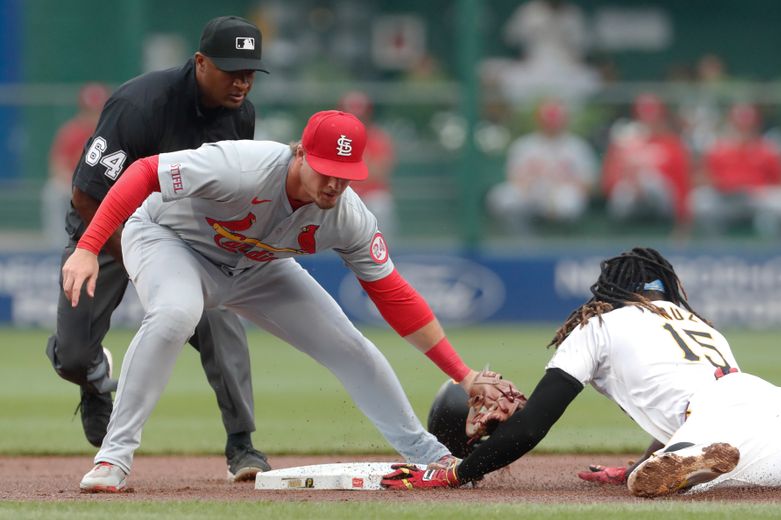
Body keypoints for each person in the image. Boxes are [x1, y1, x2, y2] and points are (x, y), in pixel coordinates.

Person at [61, 109, 522, 493]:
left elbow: (393, 294)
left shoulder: (348, 215)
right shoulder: (241, 166)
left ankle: (428, 454)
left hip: (254, 265)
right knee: (176, 313)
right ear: (299, 153)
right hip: (170, 240)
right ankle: (113, 459)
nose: (334, 185)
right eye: (326, 170)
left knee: (349, 344)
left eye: (346, 175)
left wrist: (462, 375)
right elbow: (144, 172)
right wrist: (88, 246)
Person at [45, 15, 272, 482]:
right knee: (70, 354)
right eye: (231, 70)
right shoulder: (139, 104)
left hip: (188, 240)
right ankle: (93, 382)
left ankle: (242, 444)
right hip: (104, 233)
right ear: (200, 62)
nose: (242, 82)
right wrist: (134, 254)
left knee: (220, 322)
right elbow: (86, 192)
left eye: (250, 71)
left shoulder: (241, 115)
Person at [381, 247, 781, 497]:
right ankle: (678, 458)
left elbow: (530, 428)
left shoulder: (594, 325)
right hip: (772, 400)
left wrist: (455, 472)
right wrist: (645, 457)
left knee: (647, 485)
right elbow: (685, 401)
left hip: (712, 419)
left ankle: (682, 461)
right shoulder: (694, 320)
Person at [485, 99, 597, 233]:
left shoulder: (577, 146)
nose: (552, 124)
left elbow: (588, 183)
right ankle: (523, 241)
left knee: (569, 201)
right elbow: (513, 176)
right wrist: (529, 188)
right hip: (531, 191)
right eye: (548, 119)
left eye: (555, 119)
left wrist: (559, 188)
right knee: (502, 197)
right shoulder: (525, 145)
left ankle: (561, 239)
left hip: (562, 192)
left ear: (564, 120)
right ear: (539, 121)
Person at [690, 103, 781, 240]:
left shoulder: (768, 149)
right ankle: (714, 245)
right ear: (731, 124)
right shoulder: (718, 149)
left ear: (756, 126)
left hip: (757, 198)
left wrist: (762, 189)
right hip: (727, 199)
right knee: (699, 200)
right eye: (739, 125)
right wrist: (721, 184)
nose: (743, 130)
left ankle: (775, 245)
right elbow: (700, 179)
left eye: (748, 126)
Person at [601, 94, 693, 235]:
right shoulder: (623, 144)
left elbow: (681, 184)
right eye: (643, 114)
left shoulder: (672, 145)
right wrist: (632, 180)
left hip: (662, 206)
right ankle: (618, 231)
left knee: (649, 177)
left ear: (662, 117)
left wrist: (682, 221)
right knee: (624, 188)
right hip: (630, 202)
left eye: (653, 115)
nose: (648, 119)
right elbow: (609, 181)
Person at [42, 83, 110, 247]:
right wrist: (76, 185)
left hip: (108, 185)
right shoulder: (71, 131)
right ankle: (57, 247)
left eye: (97, 110)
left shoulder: (113, 129)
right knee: (54, 192)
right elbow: (58, 165)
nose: (93, 116)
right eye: (89, 111)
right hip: (76, 184)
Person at [338, 91, 397, 239]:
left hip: (371, 194)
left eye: (360, 114)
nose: (356, 118)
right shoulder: (334, 136)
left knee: (380, 204)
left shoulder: (378, 137)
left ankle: (384, 255)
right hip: (342, 193)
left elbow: (379, 173)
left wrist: (348, 170)